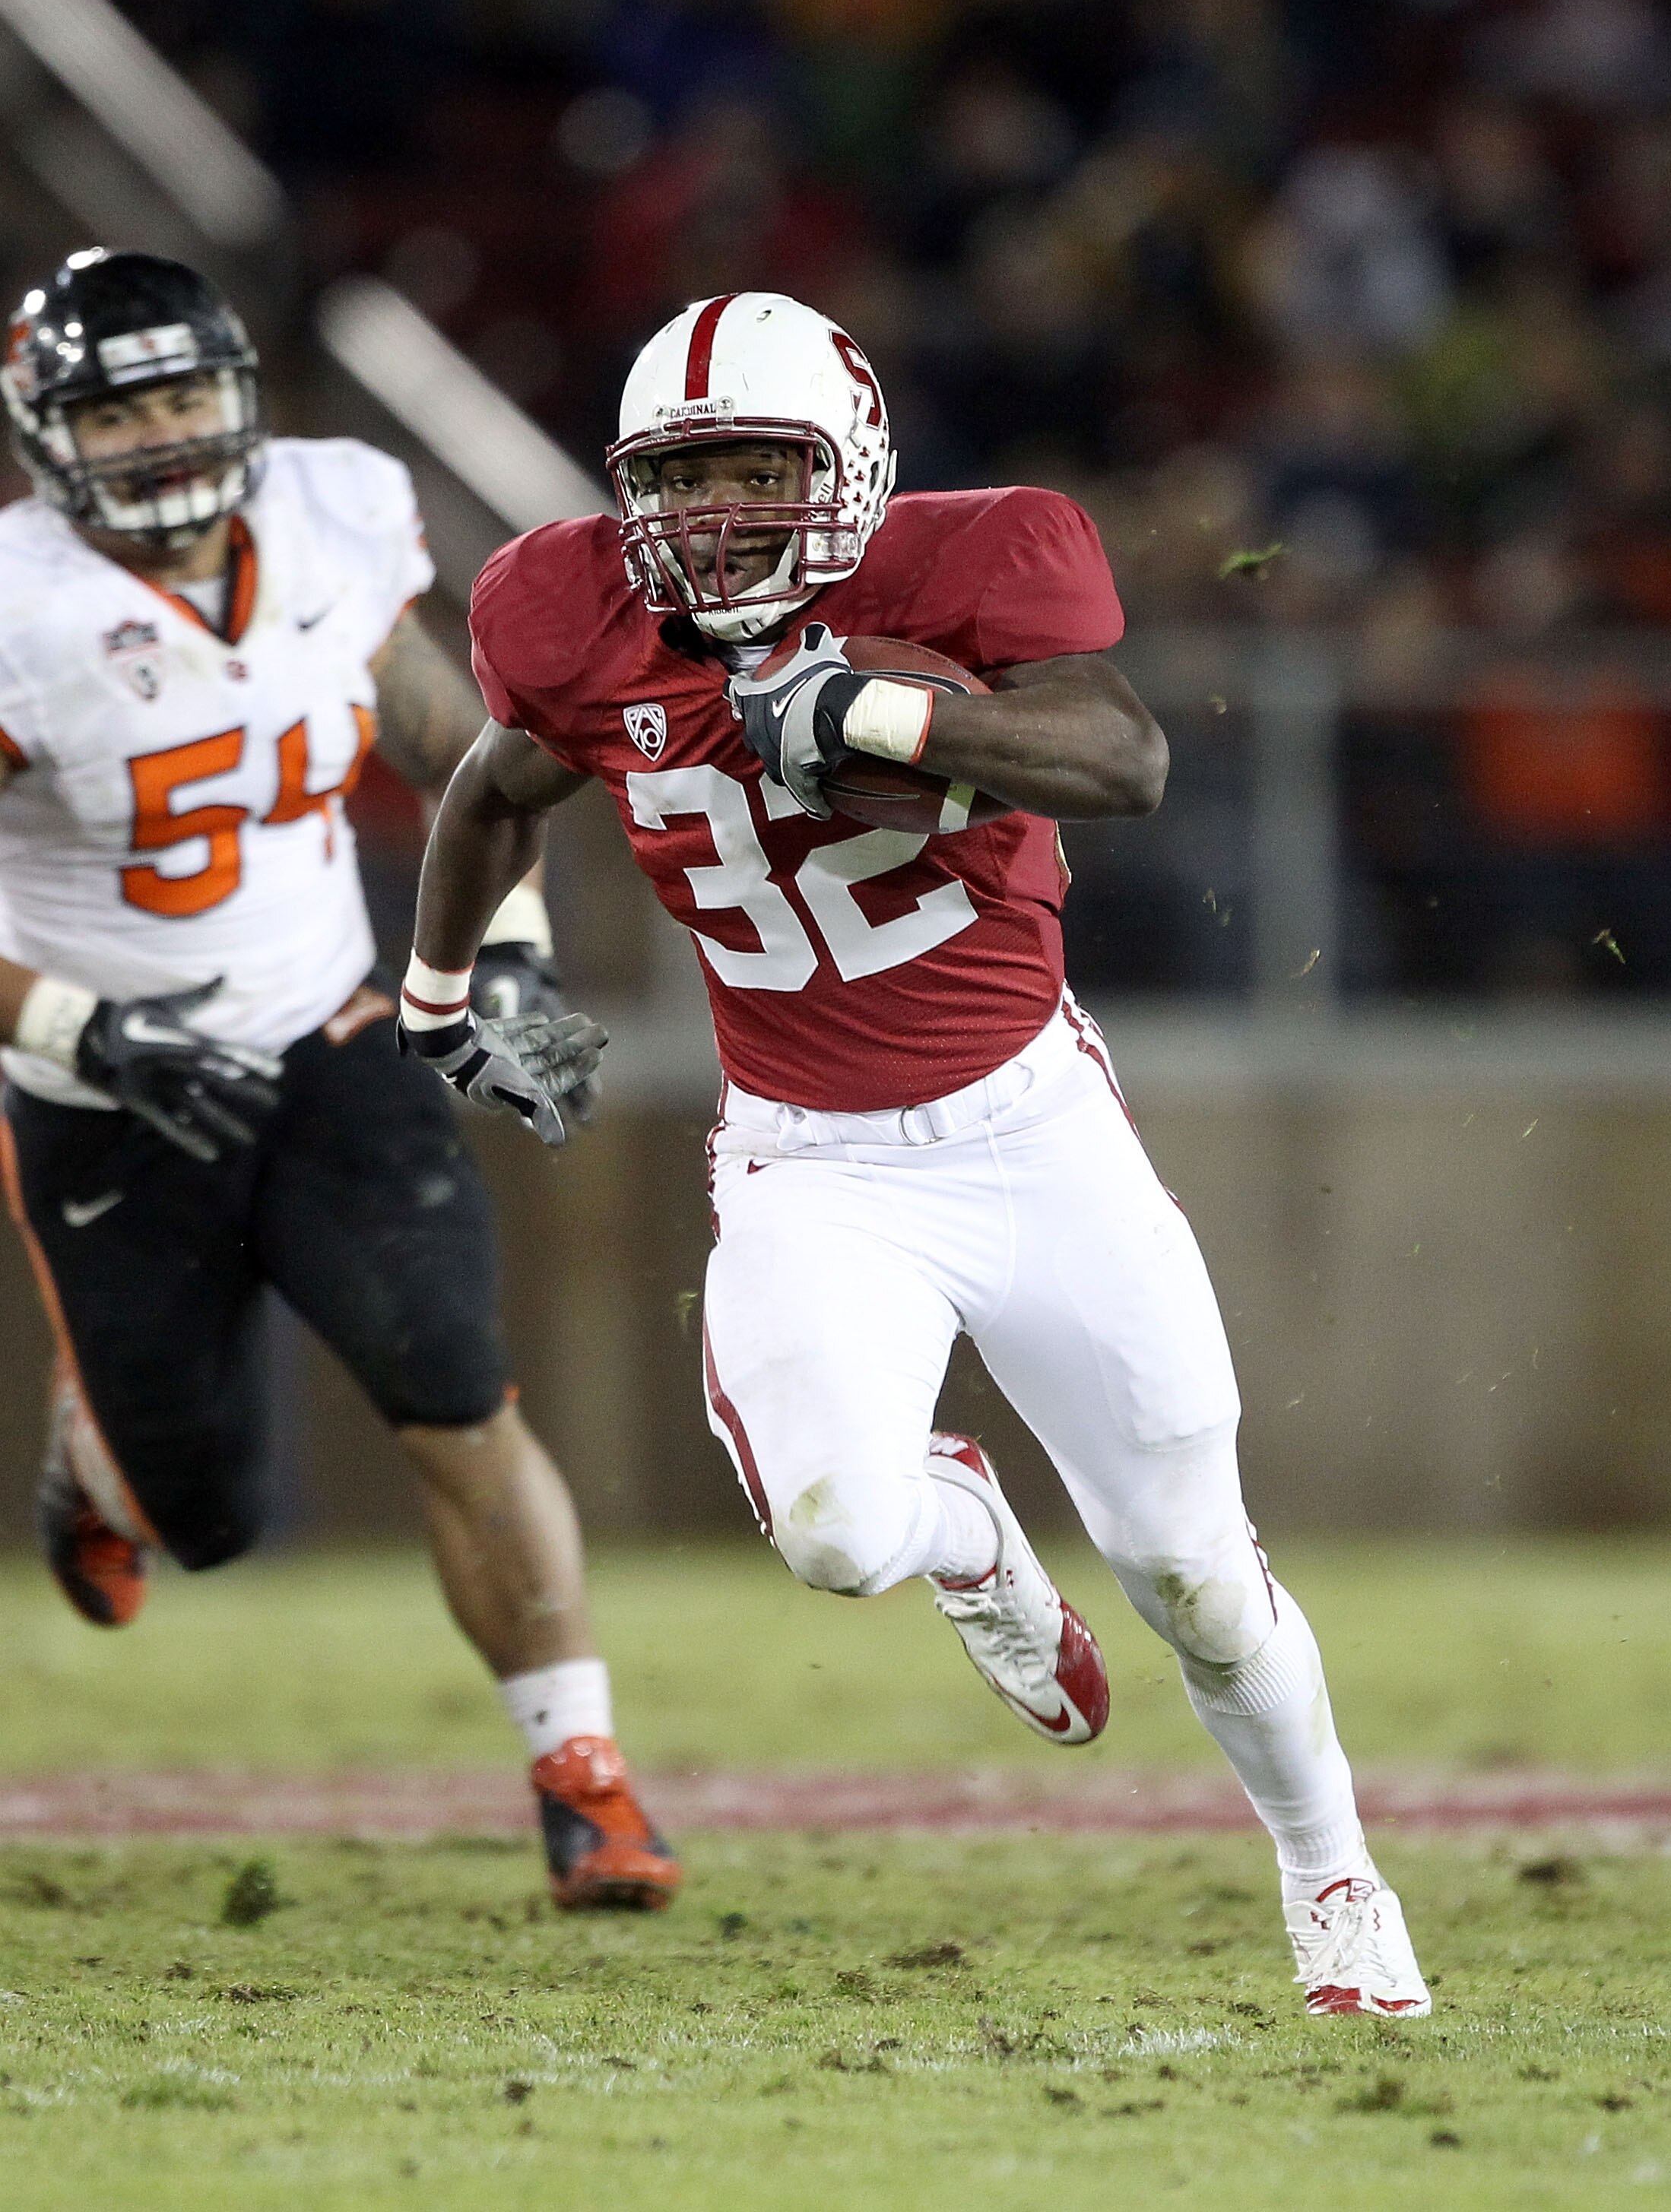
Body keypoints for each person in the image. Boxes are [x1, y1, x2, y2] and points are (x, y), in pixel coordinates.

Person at [404, 289, 1430, 2016]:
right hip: (813, 1161)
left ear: (855, 462)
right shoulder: (572, 613)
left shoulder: (967, 570)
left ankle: (1330, 1870)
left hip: (1034, 1133)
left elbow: (1125, 757)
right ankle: (964, 1529)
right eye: (682, 478)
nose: (718, 516)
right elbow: (499, 781)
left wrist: (890, 720)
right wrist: (452, 984)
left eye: (756, 470)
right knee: (835, 1533)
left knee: (1195, 1573)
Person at [0, 249, 677, 1913]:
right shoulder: (17, 611)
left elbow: (458, 748)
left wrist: (501, 952)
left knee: (455, 1387)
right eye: (120, 409)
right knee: (206, 1511)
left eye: (180, 397)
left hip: (329, 1033)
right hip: (109, 1087)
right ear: (44, 435)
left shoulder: (331, 510)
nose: (161, 438)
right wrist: (81, 1029)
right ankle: (105, 1452)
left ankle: (584, 1778)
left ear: (236, 397)